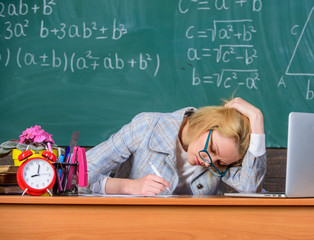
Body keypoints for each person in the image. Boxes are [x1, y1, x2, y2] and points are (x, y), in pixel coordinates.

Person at [86, 97, 266, 195]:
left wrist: (257, 120)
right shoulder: (148, 126)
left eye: (220, 163)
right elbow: (78, 173)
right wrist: (129, 187)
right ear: (206, 122)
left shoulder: (217, 162)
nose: (208, 162)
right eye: (211, 149)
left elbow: (250, 189)